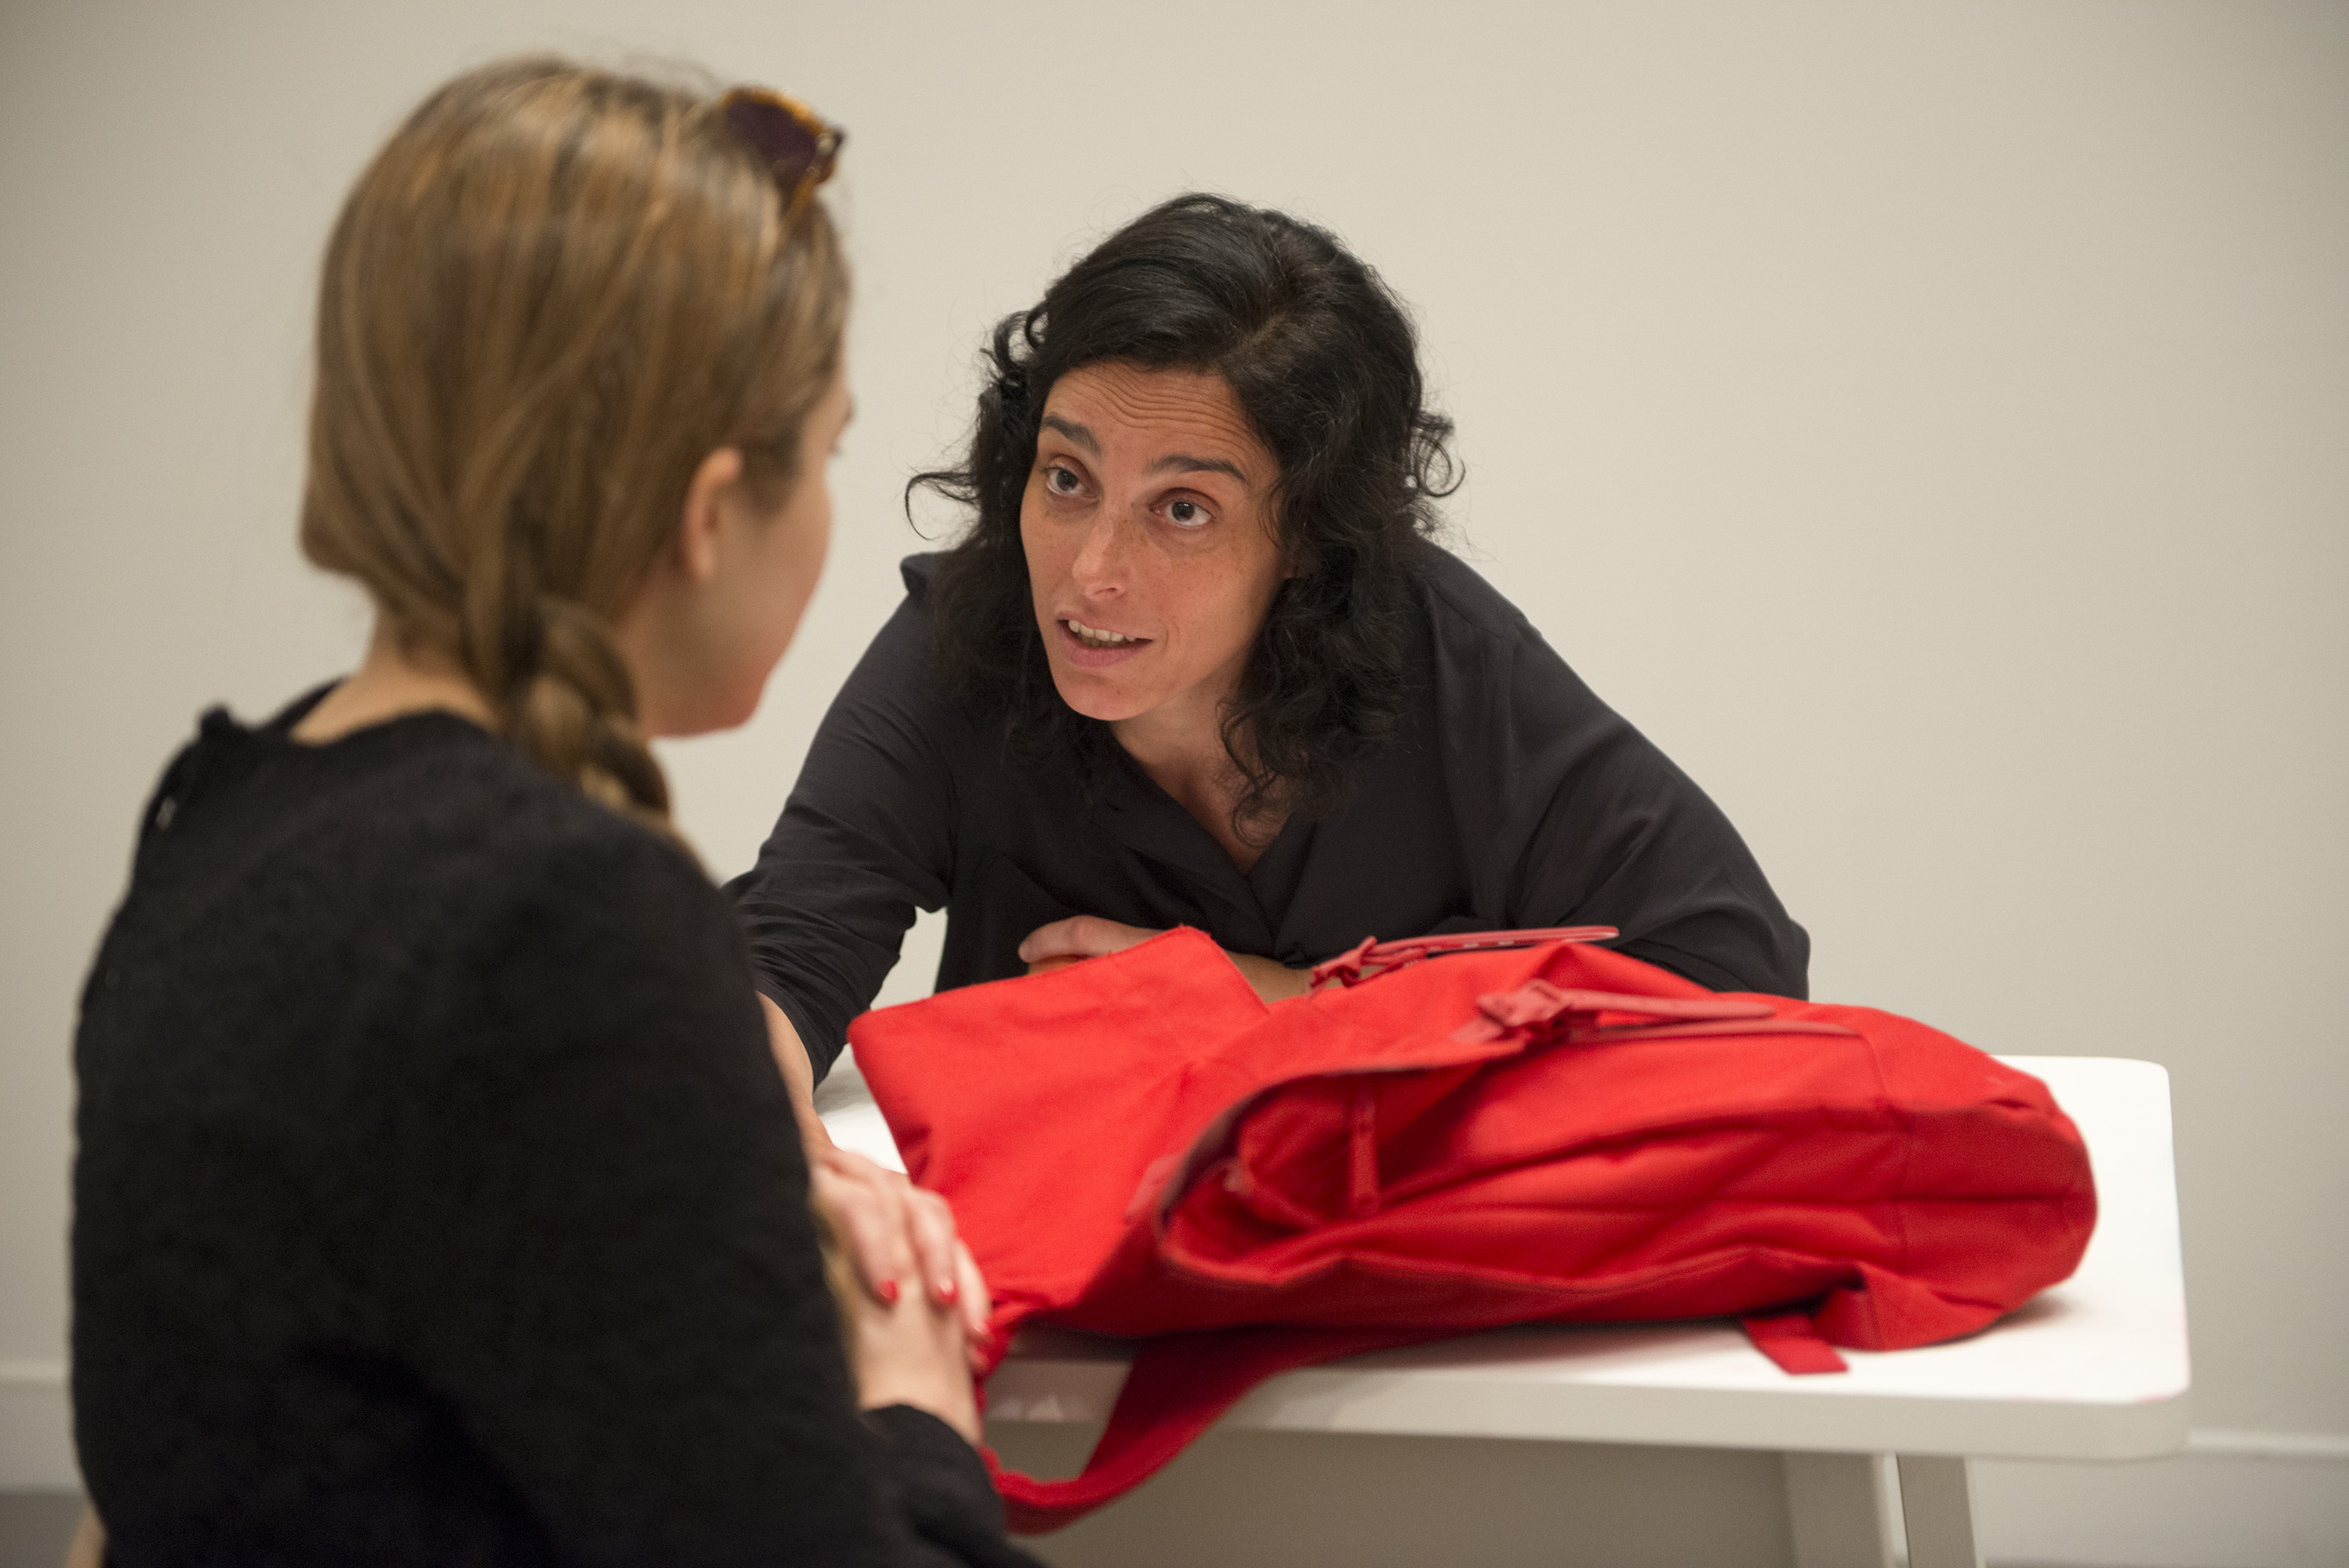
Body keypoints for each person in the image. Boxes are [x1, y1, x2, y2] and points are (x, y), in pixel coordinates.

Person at [72, 57, 1036, 1566]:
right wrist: (911, 1400)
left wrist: (711, 1192)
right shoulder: (562, 920)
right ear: (707, 516)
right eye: (829, 451)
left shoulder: (220, 815)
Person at [732, 193, 1810, 1134]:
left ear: (1305, 535)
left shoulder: (1444, 655)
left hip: (1397, 1276)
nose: (1090, 573)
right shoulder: (967, 635)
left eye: (1182, 509)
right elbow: (786, 959)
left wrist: (1295, 1001)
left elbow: (1732, 976)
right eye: (1066, 479)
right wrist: (747, 1122)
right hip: (1056, 1260)